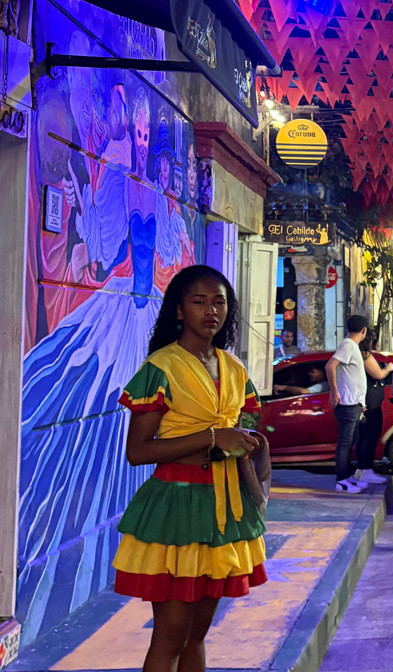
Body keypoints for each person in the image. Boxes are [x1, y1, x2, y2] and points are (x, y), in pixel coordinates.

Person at [113, 266, 266, 672]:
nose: (211, 311)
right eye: (199, 302)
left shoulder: (233, 368)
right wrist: (212, 437)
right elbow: (138, 452)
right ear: (179, 310)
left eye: (219, 302)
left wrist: (246, 447)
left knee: (197, 635)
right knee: (171, 636)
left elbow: (243, 432)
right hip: (176, 509)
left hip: (225, 509)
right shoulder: (162, 367)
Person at [326, 315, 370, 493]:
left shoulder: (352, 346)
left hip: (354, 403)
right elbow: (330, 366)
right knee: (345, 442)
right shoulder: (348, 345)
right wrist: (334, 391)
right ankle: (341, 480)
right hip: (347, 404)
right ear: (364, 331)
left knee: (352, 440)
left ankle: (348, 475)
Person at [356, 332, 393, 489]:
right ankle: (366, 468)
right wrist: (388, 369)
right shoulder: (365, 356)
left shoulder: (361, 354)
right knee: (370, 435)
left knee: (366, 435)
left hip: (369, 401)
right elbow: (378, 374)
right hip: (371, 402)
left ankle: (363, 468)